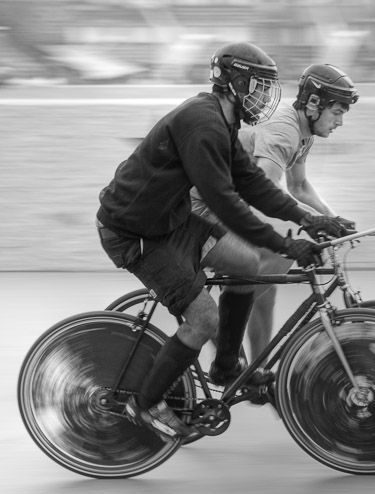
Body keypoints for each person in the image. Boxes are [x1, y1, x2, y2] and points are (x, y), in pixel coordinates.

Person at [95, 42, 352, 441]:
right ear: (235, 83)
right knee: (205, 319)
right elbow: (226, 204)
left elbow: (251, 183)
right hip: (135, 232)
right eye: (259, 87)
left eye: (268, 89)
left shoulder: (222, 120)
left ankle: (227, 366)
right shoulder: (203, 124)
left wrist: (309, 219)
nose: (265, 97)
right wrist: (285, 246)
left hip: (170, 222)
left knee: (248, 264)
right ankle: (144, 405)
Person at [191, 63, 359, 362]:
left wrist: (333, 220)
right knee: (265, 264)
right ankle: (226, 343)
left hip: (227, 200)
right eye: (338, 113)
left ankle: (257, 365)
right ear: (313, 104)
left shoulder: (303, 132)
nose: (341, 122)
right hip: (201, 204)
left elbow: (299, 185)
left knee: (269, 280)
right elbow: (266, 190)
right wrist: (313, 223)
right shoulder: (285, 130)